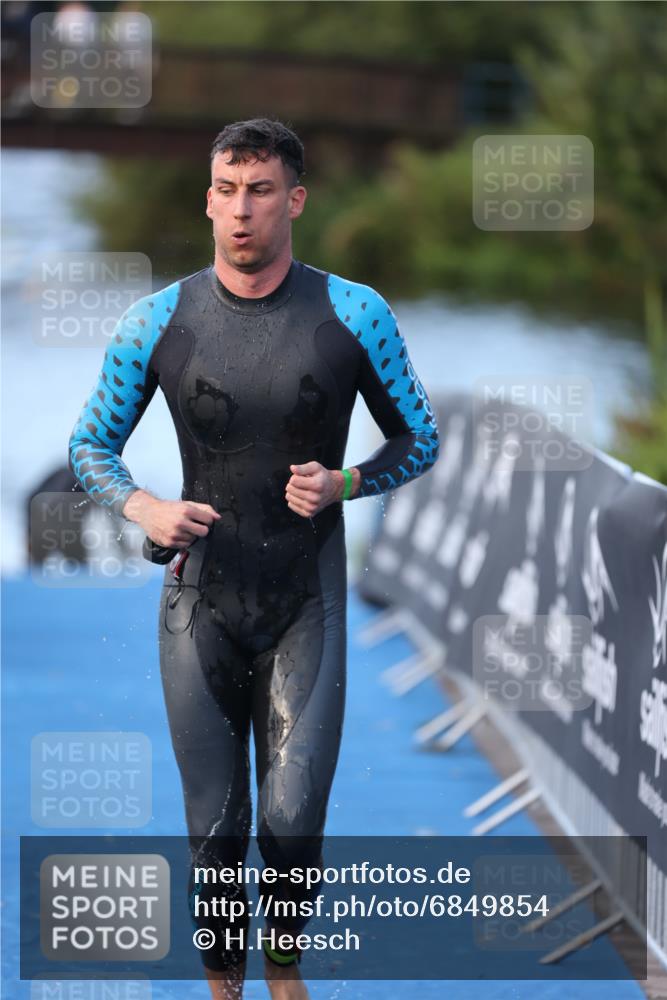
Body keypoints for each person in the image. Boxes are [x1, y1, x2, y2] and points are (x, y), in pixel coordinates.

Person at [68, 118, 440, 999]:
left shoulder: (354, 312)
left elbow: (419, 438)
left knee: (291, 815)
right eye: (227, 191)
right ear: (207, 200)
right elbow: (91, 448)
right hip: (198, 600)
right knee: (217, 826)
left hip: (306, 597)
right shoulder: (155, 319)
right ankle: (223, 985)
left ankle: (283, 969)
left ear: (294, 200)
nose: (242, 211)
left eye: (261, 190)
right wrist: (144, 504)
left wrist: (346, 482)